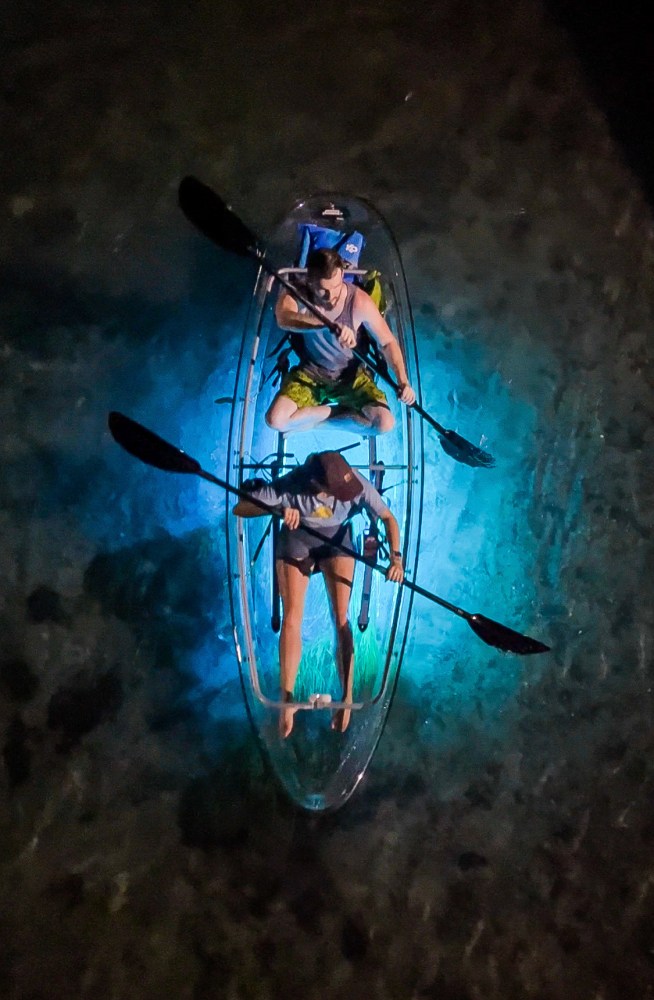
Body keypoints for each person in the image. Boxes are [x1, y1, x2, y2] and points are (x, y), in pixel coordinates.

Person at [232, 451, 405, 737]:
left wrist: (396, 559)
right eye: (337, 491)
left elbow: (388, 518)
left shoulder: (355, 482)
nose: (345, 494)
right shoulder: (292, 484)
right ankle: (287, 700)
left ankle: (346, 699)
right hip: (297, 538)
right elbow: (241, 508)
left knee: (341, 618)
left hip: (337, 541)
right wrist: (276, 510)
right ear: (316, 484)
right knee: (292, 618)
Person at [265, 248, 417, 436]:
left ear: (342, 274)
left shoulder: (359, 301)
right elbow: (284, 318)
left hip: (350, 376)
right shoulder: (298, 293)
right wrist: (326, 324)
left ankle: (318, 422)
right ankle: (326, 415)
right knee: (275, 420)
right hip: (311, 373)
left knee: (384, 423)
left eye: (336, 287)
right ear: (310, 281)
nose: (331, 297)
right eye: (323, 291)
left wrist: (403, 381)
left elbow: (387, 343)